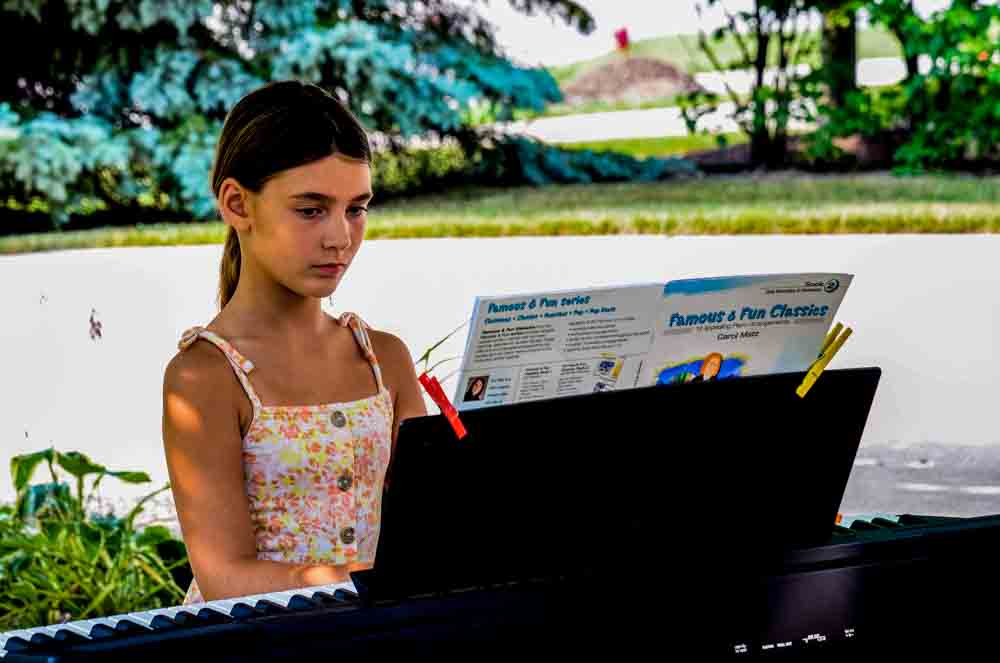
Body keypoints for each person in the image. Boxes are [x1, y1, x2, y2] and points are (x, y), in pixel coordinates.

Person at [161, 80, 427, 604]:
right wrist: (376, 575)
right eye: (311, 210)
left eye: (357, 208)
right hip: (258, 643)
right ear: (237, 204)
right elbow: (226, 579)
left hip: (387, 629)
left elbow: (427, 523)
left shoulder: (384, 360)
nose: (340, 237)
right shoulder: (204, 377)